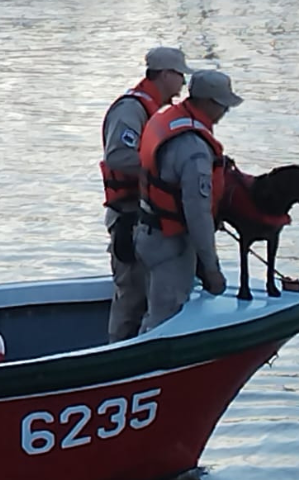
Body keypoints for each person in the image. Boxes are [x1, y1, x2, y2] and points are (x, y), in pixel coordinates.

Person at [133, 69, 244, 335]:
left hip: (145, 230)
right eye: (222, 105)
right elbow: (198, 214)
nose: (225, 112)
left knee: (151, 309)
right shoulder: (194, 149)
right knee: (164, 321)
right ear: (206, 102)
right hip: (169, 245)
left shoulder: (167, 118)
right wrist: (211, 268)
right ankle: (151, 370)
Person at [100, 46, 194, 343]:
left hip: (148, 218)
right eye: (180, 76)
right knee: (130, 298)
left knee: (146, 296)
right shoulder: (131, 110)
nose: (183, 84)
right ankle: (115, 359)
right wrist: (164, 168)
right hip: (128, 217)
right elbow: (117, 156)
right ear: (165, 75)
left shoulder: (156, 110)